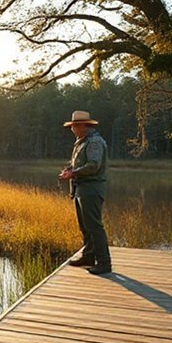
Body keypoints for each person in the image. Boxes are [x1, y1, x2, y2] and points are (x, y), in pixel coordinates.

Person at [59, 110, 112, 275]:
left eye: (74, 126)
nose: (72, 129)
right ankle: (88, 257)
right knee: (85, 226)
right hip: (81, 189)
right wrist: (70, 169)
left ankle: (104, 263)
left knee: (94, 226)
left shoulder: (94, 142)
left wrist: (73, 173)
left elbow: (93, 165)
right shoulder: (82, 141)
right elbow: (81, 163)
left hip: (91, 189)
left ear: (83, 125)